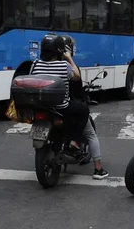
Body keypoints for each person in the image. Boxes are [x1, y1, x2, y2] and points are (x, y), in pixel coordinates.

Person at [29, 35, 108, 179]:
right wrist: (69, 59)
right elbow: (77, 78)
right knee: (86, 118)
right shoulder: (64, 66)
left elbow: (32, 80)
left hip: (41, 107)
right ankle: (92, 162)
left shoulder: (35, 64)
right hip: (61, 108)